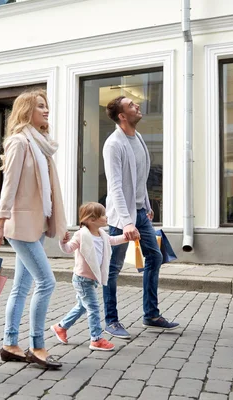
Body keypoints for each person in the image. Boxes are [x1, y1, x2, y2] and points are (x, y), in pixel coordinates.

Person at [0, 89, 67, 370]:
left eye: (47, 106)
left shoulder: (41, 143)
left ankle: (10, 344)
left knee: (21, 287)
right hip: (19, 225)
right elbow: (9, 185)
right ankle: (38, 346)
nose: (46, 111)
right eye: (40, 106)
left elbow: (46, 190)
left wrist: (58, 222)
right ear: (26, 111)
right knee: (47, 282)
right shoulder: (20, 142)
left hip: (35, 224)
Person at [101, 96, 179, 340]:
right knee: (112, 269)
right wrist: (126, 222)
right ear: (122, 116)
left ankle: (151, 315)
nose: (138, 106)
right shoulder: (114, 144)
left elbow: (140, 177)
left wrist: (146, 204)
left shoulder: (139, 138)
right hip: (120, 217)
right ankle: (111, 320)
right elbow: (114, 186)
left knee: (154, 256)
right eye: (131, 105)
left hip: (139, 212)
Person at [50, 202, 130, 351]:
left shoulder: (102, 234)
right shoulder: (81, 234)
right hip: (82, 279)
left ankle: (60, 327)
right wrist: (63, 241)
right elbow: (68, 249)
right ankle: (96, 339)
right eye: (103, 215)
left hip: (92, 279)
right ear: (91, 219)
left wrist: (126, 237)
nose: (106, 217)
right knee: (93, 307)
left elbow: (112, 241)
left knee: (82, 307)